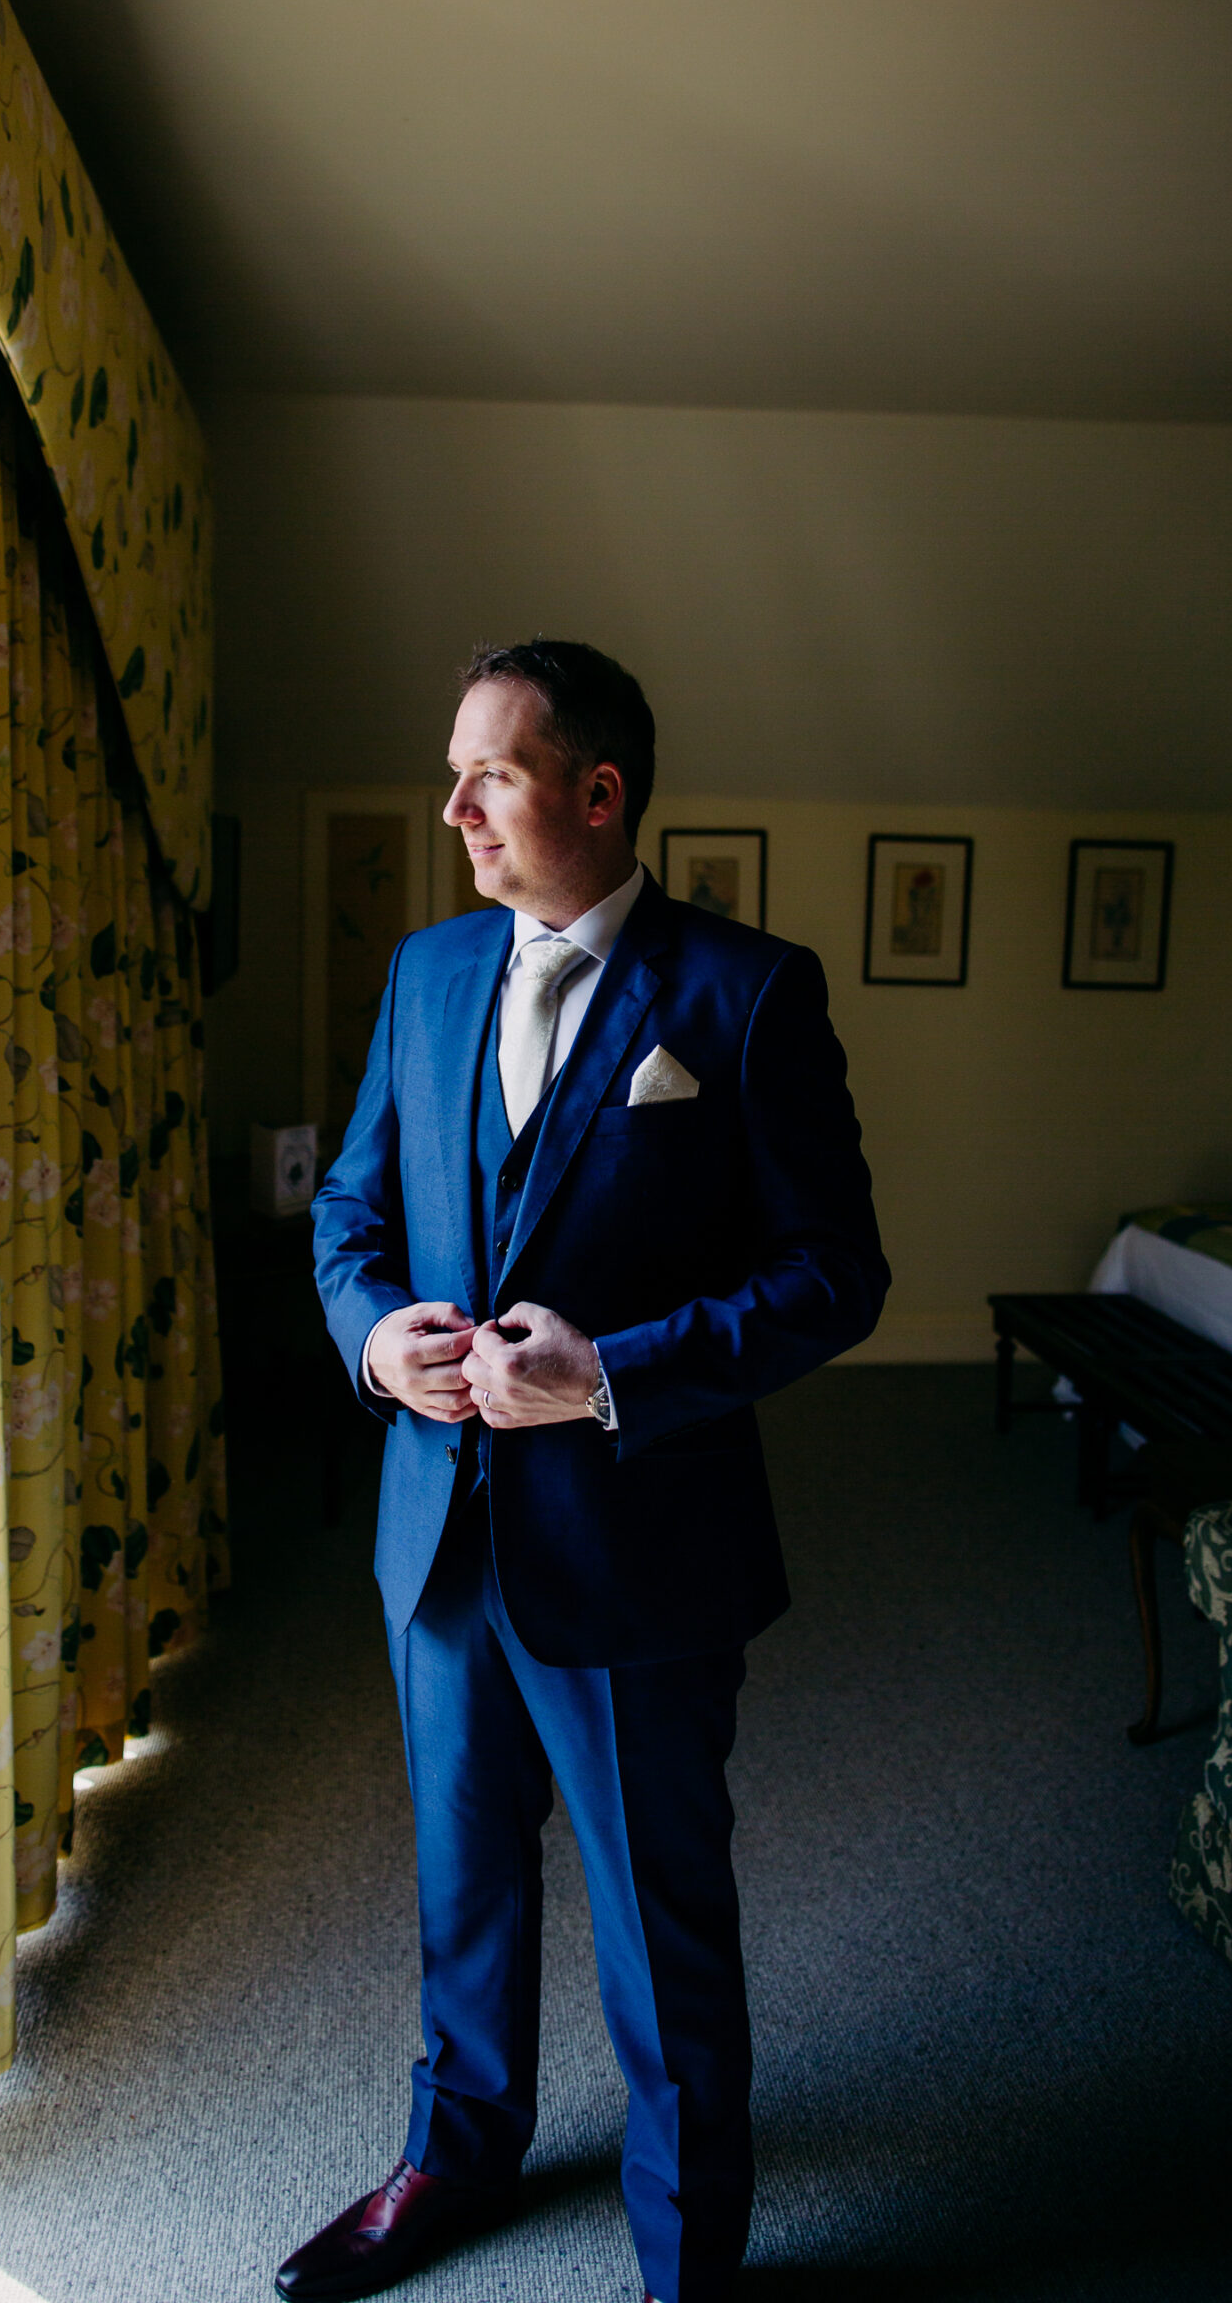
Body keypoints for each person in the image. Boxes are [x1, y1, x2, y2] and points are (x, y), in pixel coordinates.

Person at [290, 640, 888, 2303]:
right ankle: (455, 2155)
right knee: (462, 1880)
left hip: (641, 1552)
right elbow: (351, 1213)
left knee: (659, 1916)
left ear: (596, 792)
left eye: (489, 772)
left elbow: (837, 1275)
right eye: (457, 773)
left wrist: (612, 1375)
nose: (455, 806)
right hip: (441, 1537)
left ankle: (689, 2245)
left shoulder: (747, 992)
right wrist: (370, 1340)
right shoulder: (419, 978)